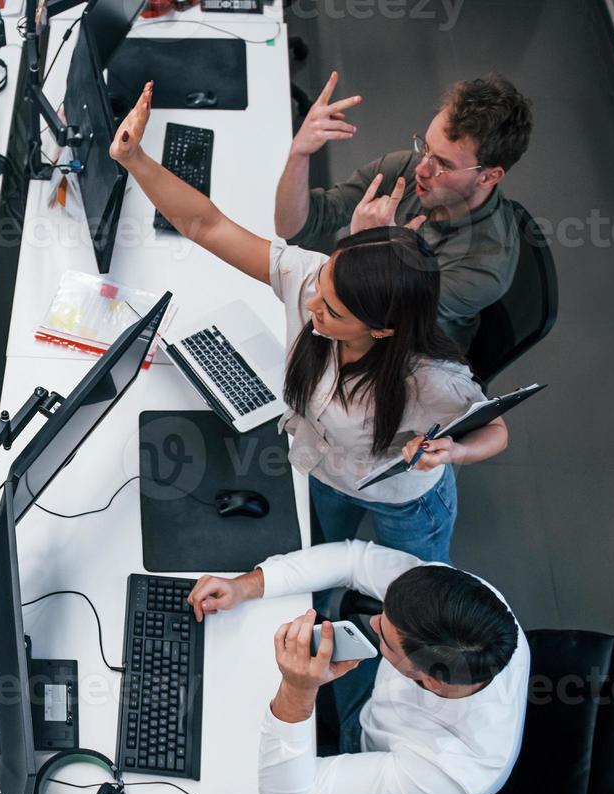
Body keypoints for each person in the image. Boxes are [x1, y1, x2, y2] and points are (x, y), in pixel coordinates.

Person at [111, 82, 509, 564]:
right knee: (324, 557)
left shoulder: (429, 377)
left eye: (334, 310)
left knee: (413, 589)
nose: (312, 304)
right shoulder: (309, 281)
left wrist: (456, 453)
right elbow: (209, 225)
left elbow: (495, 429)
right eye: (324, 282)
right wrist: (136, 161)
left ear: (382, 329)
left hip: (404, 500)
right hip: (325, 472)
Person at [187, 540, 529, 794]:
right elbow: (355, 560)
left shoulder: (452, 774)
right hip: (370, 704)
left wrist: (297, 690)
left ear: (432, 680)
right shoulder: (463, 598)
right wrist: (247, 586)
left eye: (386, 639)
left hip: (386, 773)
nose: (374, 621)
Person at [273, 72, 534, 347]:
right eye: (426, 148)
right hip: (354, 313)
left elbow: (372, 320)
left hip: (407, 354)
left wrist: (369, 245)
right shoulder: (407, 170)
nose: (422, 169)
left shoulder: (483, 267)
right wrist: (299, 153)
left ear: (488, 177)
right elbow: (294, 227)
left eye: (443, 164)